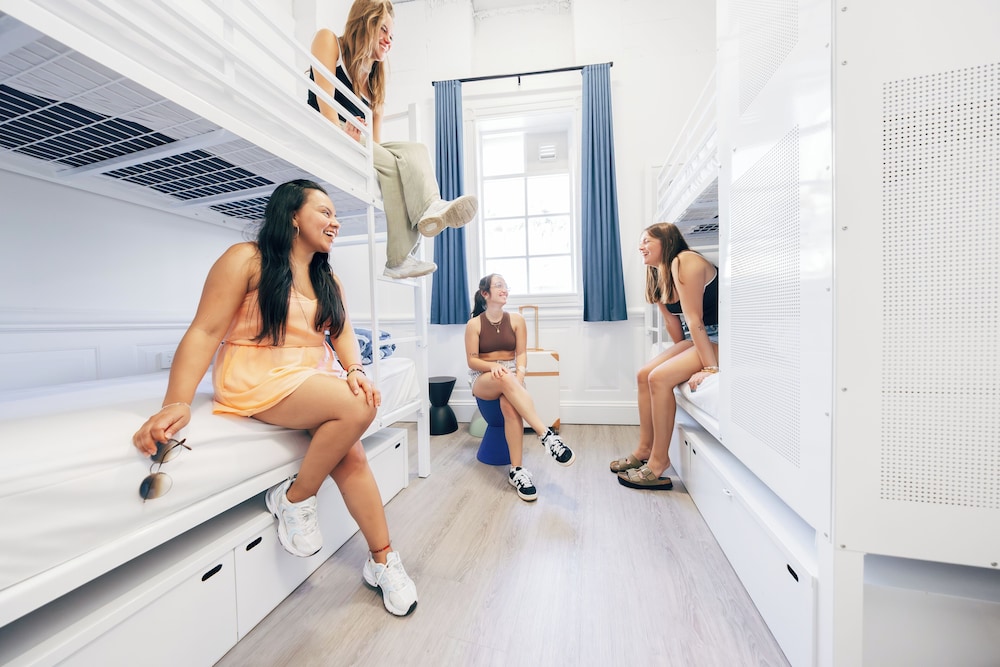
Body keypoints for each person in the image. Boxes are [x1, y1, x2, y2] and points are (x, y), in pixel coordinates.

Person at [131, 180, 418, 617]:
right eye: (324, 212)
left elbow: (341, 332)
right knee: (358, 406)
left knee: (352, 454)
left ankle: (383, 560)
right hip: (256, 373)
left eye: (335, 215)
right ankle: (297, 497)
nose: (335, 222)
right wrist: (176, 402)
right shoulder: (247, 259)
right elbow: (205, 330)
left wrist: (355, 369)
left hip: (310, 374)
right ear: (292, 216)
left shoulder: (327, 278)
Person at [308, 0, 477, 280]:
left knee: (415, 150)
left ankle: (429, 209)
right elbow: (326, 109)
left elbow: (375, 145)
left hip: (358, 145)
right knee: (392, 162)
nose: (389, 40)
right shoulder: (329, 41)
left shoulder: (375, 80)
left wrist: (357, 139)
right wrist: (342, 133)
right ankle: (405, 247)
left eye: (392, 35)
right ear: (365, 23)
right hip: (326, 131)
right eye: (383, 30)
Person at [612, 222, 719, 491]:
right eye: (641, 242)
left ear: (667, 241)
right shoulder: (658, 274)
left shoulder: (685, 260)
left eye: (647, 241)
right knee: (644, 374)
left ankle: (659, 463)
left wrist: (709, 368)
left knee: (659, 378)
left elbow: (694, 320)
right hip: (698, 337)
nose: (641, 247)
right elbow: (674, 326)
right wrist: (679, 356)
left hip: (723, 337)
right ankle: (644, 449)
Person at [465, 274, 575, 502]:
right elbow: (472, 360)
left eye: (505, 286)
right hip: (483, 376)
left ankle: (516, 471)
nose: (504, 289)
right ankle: (546, 435)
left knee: (509, 406)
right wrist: (494, 366)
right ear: (485, 293)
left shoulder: (517, 320)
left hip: (512, 376)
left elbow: (521, 354)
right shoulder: (474, 324)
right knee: (505, 378)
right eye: (498, 286)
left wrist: (520, 375)